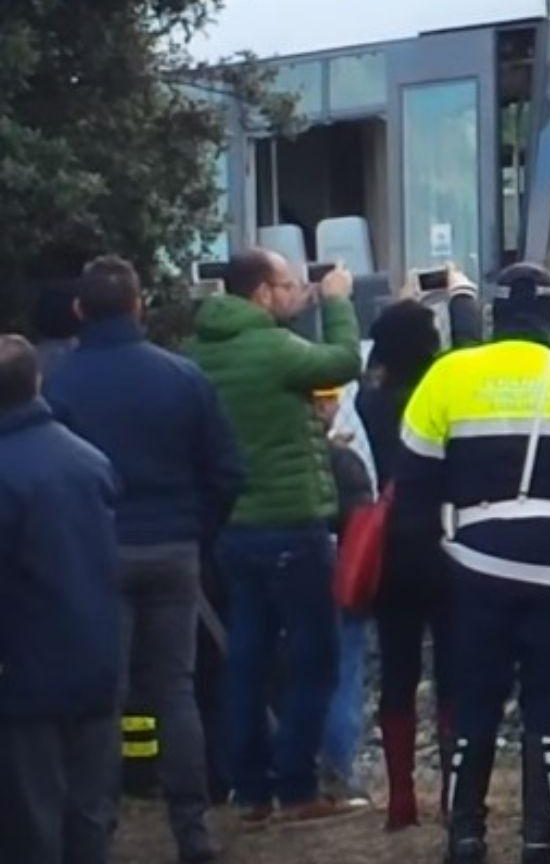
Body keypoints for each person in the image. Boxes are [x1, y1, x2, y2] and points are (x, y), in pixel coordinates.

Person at [395, 263, 550, 864]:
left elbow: (414, 469)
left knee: (475, 694)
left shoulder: (450, 373)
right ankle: (541, 834)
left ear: (496, 314)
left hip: (477, 557)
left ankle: (466, 835)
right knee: (548, 693)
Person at [44, 256, 244, 863]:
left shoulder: (62, 384)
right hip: (174, 548)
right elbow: (227, 471)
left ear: (81, 310)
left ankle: (97, 833)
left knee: (106, 697)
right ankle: (193, 831)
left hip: (99, 554)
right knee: (174, 690)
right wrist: (195, 529)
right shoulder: (182, 378)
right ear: (140, 306)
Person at [186, 248, 362, 823]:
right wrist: (337, 302)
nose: (295, 294)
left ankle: (250, 790)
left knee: (247, 660)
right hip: (292, 523)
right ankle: (297, 786)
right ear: (262, 292)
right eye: (287, 285)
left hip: (233, 529)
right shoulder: (272, 348)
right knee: (316, 658)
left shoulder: (197, 352)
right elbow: (341, 361)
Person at [355, 277, 483, 831]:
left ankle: (401, 797)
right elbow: (472, 354)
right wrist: (459, 297)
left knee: (398, 670)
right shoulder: (447, 390)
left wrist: (399, 306)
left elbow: (371, 359)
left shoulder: (371, 399)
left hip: (390, 550)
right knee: (455, 669)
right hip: (447, 539)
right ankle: (456, 792)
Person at [0, 335, 123, 864]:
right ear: (37, 382)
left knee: (33, 817)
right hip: (94, 656)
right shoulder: (89, 461)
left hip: (24, 669)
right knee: (89, 811)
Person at [317, 387, 376, 806]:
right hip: (341, 582)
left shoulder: (265, 461)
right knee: (343, 676)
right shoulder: (343, 463)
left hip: (286, 576)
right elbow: (363, 531)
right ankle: (337, 772)